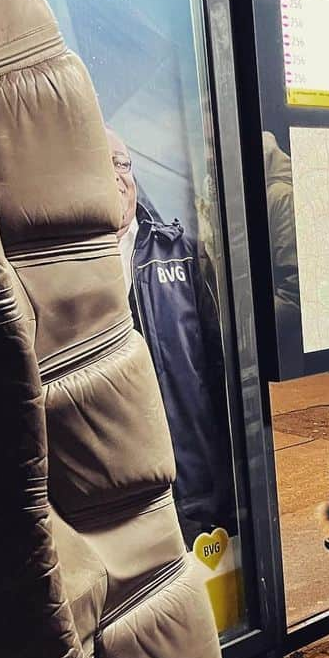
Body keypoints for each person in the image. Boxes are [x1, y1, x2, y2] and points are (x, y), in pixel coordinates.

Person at [108, 127, 238, 544]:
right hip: (121, 490)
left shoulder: (182, 254)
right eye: (100, 163)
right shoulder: (68, 271)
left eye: (122, 164)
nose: (116, 176)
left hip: (197, 482)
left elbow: (221, 369)